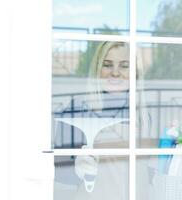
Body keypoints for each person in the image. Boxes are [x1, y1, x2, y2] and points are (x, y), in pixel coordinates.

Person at [53, 41, 130, 200]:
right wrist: (76, 169)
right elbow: (58, 169)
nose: (115, 72)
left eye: (124, 66)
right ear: (97, 70)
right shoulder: (77, 109)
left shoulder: (142, 114)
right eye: (107, 65)